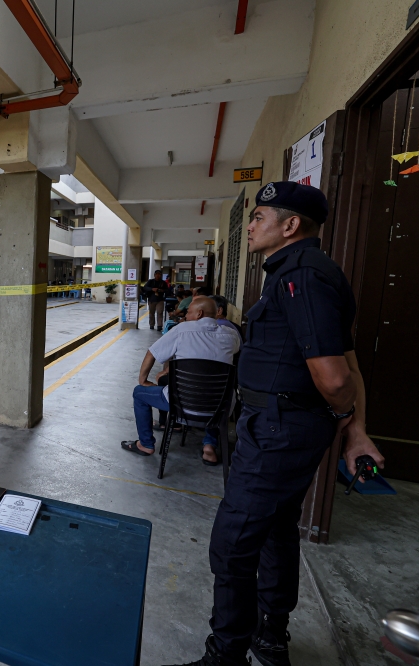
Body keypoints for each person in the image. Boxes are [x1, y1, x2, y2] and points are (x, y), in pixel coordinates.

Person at [168, 183, 385, 666]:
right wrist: (355, 428)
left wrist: (349, 421)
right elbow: (349, 361)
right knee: (278, 529)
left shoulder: (301, 276)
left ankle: (225, 654)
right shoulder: (301, 272)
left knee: (233, 542)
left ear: (290, 226)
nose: (249, 225)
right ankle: (271, 639)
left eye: (259, 216)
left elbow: (334, 377)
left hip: (280, 429)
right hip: (283, 424)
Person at [123, 297, 240, 465]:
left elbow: (152, 353)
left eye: (188, 312)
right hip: (220, 409)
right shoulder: (231, 334)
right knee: (213, 391)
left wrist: (143, 380)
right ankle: (209, 447)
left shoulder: (181, 330)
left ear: (199, 314)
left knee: (139, 393)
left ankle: (146, 444)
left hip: (181, 406)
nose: (185, 316)